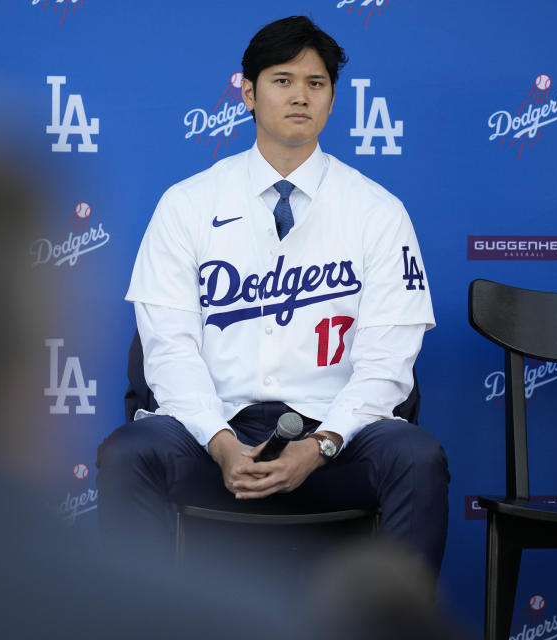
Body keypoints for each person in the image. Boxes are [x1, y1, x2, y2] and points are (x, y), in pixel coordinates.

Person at [97, 15, 449, 576]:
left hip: (335, 443)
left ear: (333, 99)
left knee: (415, 457)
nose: (300, 96)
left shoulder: (378, 211)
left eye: (316, 83)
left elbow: (388, 363)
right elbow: (168, 352)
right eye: (282, 80)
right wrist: (219, 442)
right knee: (131, 453)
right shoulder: (186, 204)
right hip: (214, 437)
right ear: (248, 92)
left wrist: (323, 443)